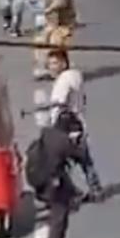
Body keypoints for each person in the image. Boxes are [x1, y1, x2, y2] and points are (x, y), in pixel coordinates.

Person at [30, 111, 94, 238]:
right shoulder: (64, 142)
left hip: (48, 181)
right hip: (52, 186)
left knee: (61, 219)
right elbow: (81, 156)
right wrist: (78, 140)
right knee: (58, 222)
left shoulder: (49, 133)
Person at [45, 49, 104, 199]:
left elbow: (60, 102)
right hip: (79, 124)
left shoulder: (63, 80)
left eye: (54, 63)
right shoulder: (76, 75)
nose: (51, 67)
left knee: (57, 162)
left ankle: (69, 193)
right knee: (85, 160)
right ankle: (96, 189)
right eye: (49, 64)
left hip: (66, 127)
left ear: (64, 63)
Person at [33, 0, 77, 80]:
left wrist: (49, 9)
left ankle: (58, 68)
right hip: (51, 21)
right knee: (40, 41)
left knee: (55, 44)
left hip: (63, 22)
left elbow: (61, 2)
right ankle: (43, 66)